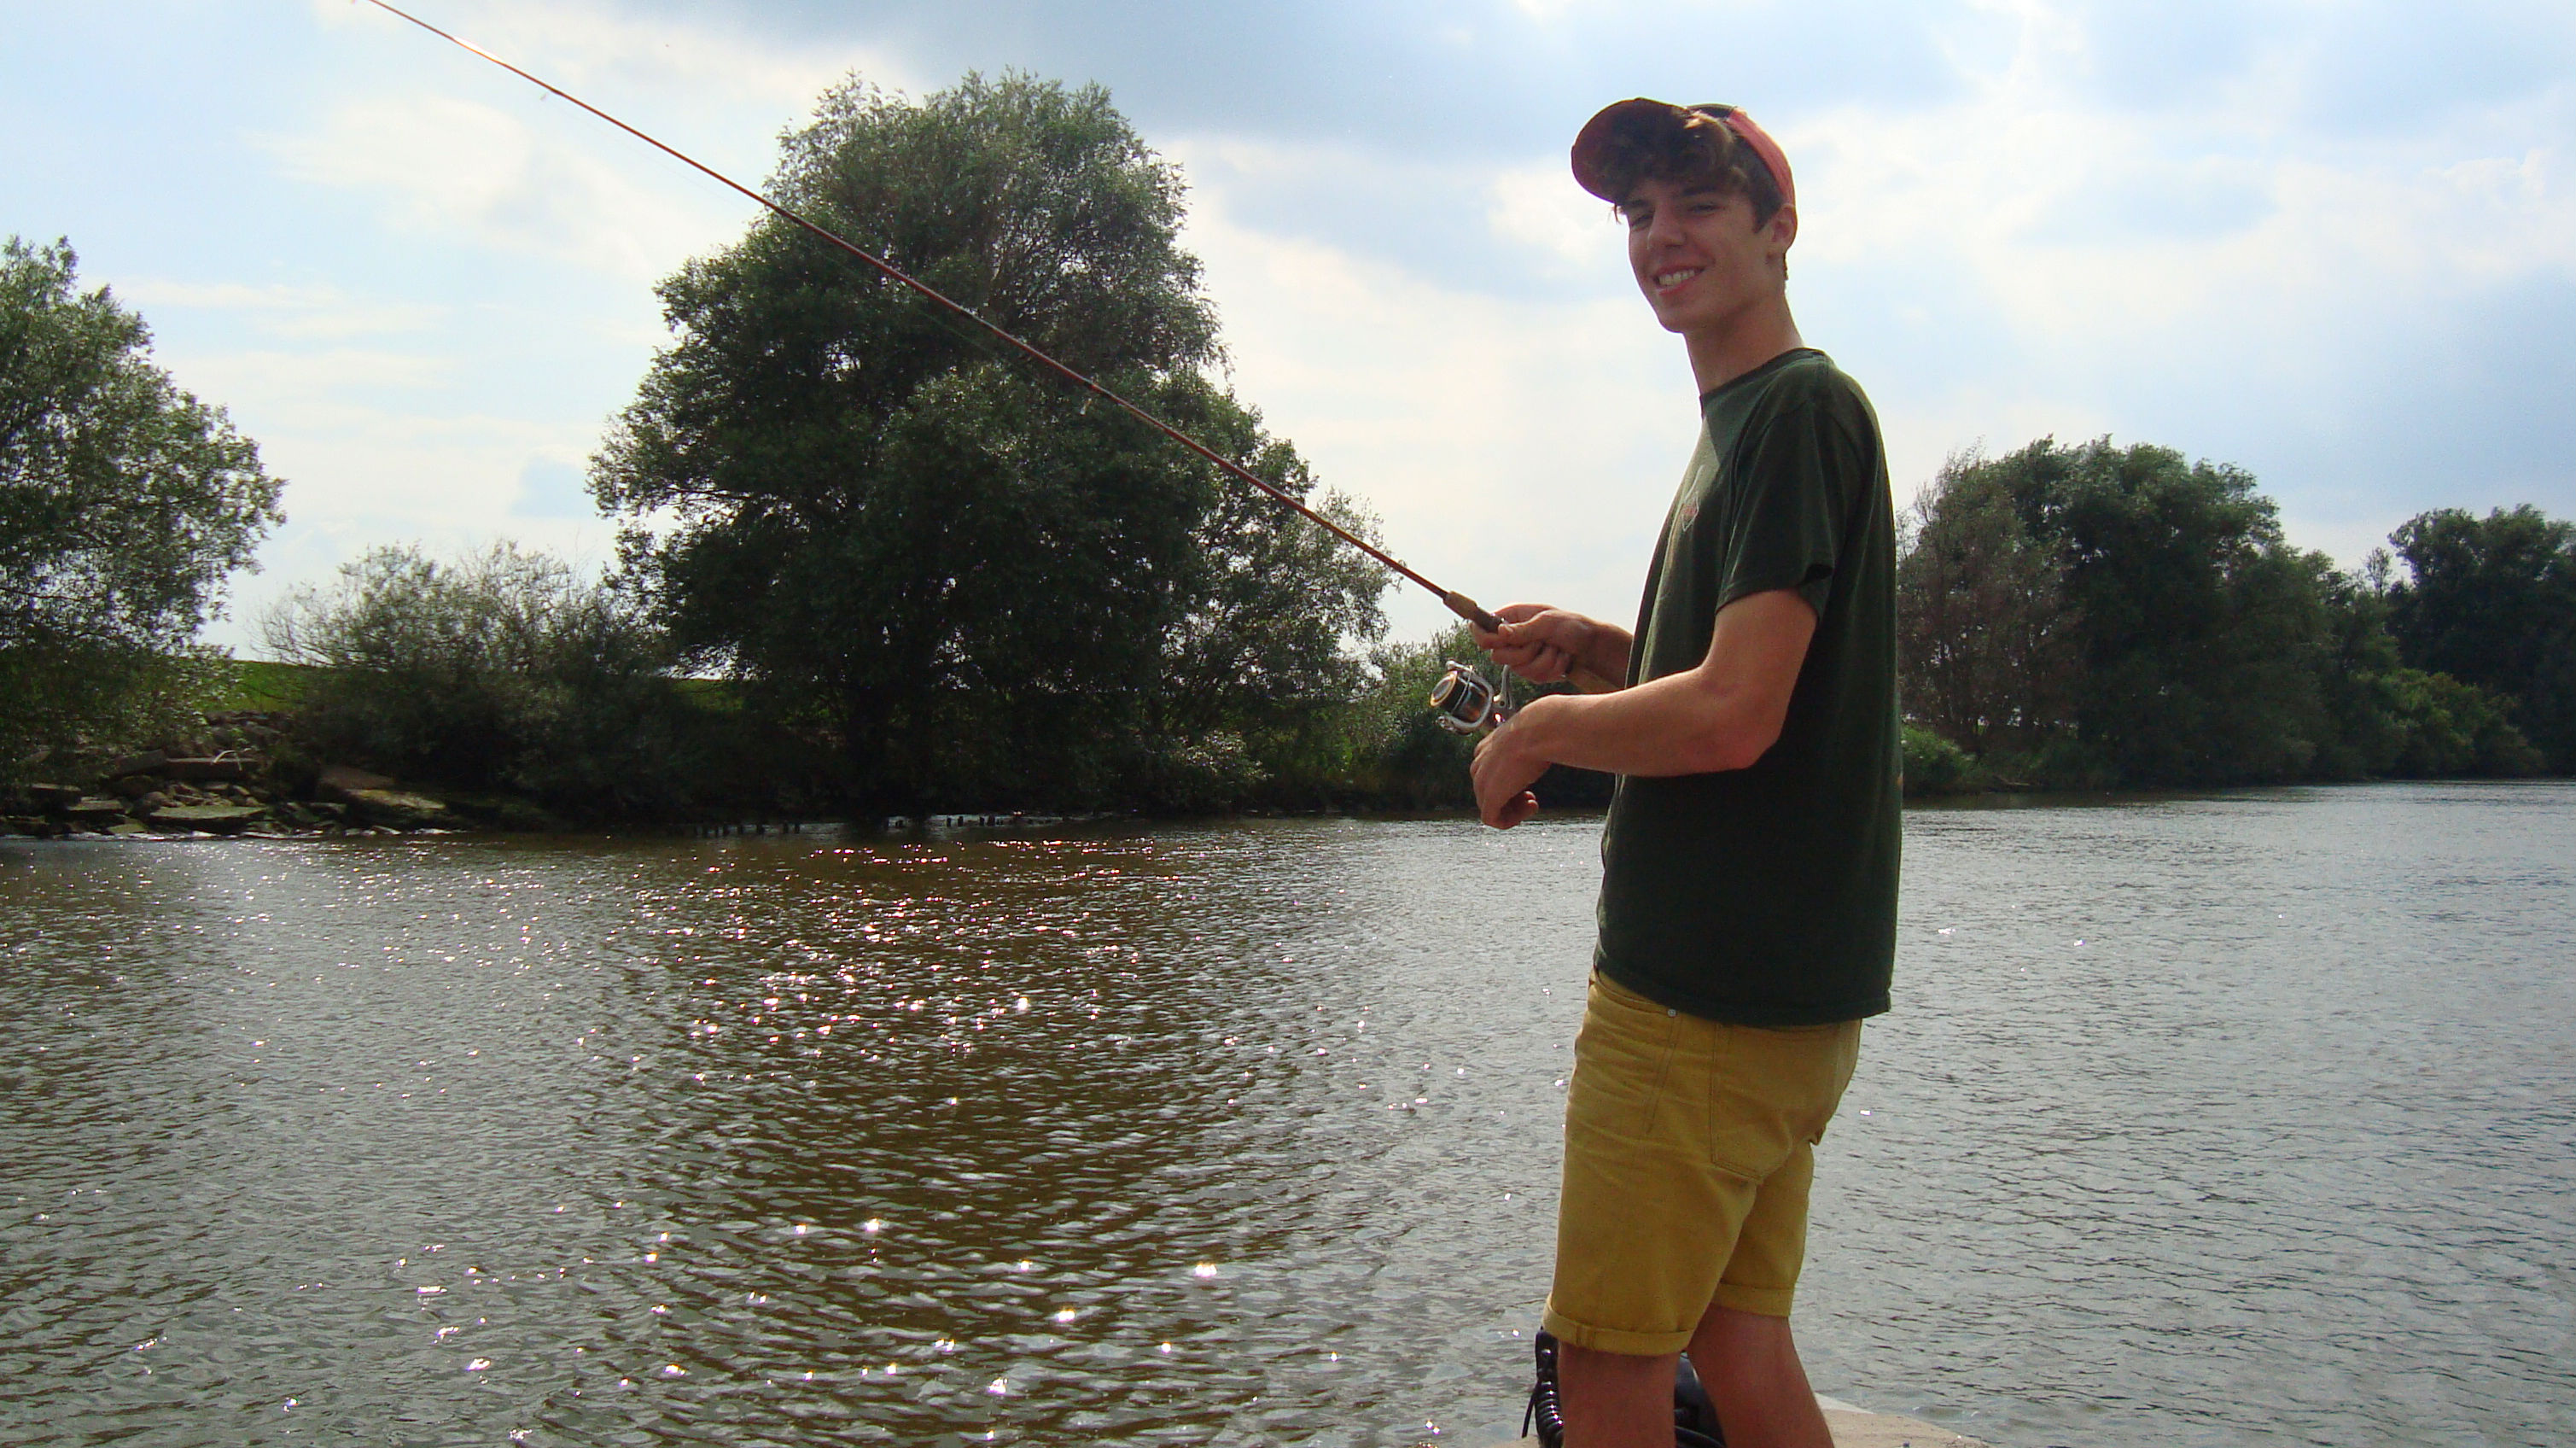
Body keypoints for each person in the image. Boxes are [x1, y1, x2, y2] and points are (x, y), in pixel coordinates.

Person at [1469, 99, 1898, 1448]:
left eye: (1698, 206)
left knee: (1609, 1373)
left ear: (1778, 230)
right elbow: (1744, 675)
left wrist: (1535, 732)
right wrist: (1601, 650)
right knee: (1737, 1337)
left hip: (1693, 1001)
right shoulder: (1754, 422)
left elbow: (1731, 717)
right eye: (1638, 214)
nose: (1661, 236)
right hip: (1778, 1001)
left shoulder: (1793, 412)